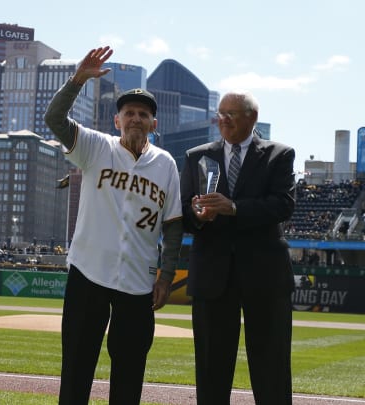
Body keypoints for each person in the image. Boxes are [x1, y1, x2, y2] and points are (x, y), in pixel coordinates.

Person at [44, 46, 183, 405]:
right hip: (88, 273)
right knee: (77, 367)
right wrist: (77, 79)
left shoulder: (166, 164)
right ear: (116, 120)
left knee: (131, 371)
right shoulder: (95, 146)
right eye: (129, 113)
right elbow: (55, 119)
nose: (136, 118)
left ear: (154, 123)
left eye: (143, 114)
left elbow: (172, 225)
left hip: (137, 283)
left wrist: (165, 277)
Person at [180, 90, 296, 404]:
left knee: (271, 365)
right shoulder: (196, 156)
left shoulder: (279, 155)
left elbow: (283, 205)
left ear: (252, 118)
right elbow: (184, 215)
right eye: (221, 113)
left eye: (232, 113)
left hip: (265, 276)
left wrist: (235, 208)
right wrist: (199, 216)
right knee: (210, 368)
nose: (224, 119)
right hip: (212, 275)